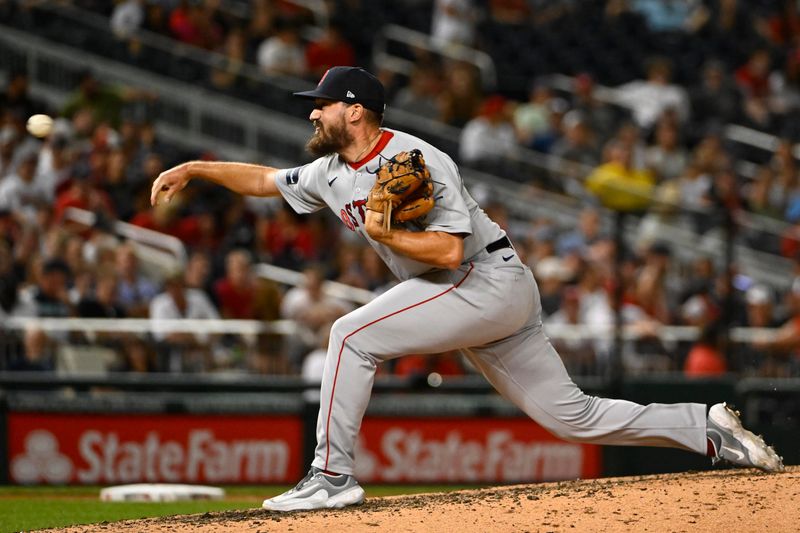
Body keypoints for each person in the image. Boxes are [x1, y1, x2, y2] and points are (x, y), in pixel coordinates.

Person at [150, 66, 784, 512]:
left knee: (348, 335)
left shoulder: (417, 161)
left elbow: (450, 250)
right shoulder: (329, 171)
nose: (311, 111)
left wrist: (388, 231)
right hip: (474, 293)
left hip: (483, 278)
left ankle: (331, 476)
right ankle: (705, 427)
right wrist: (197, 168)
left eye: (321, 102)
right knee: (573, 417)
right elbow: (264, 180)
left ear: (356, 109)